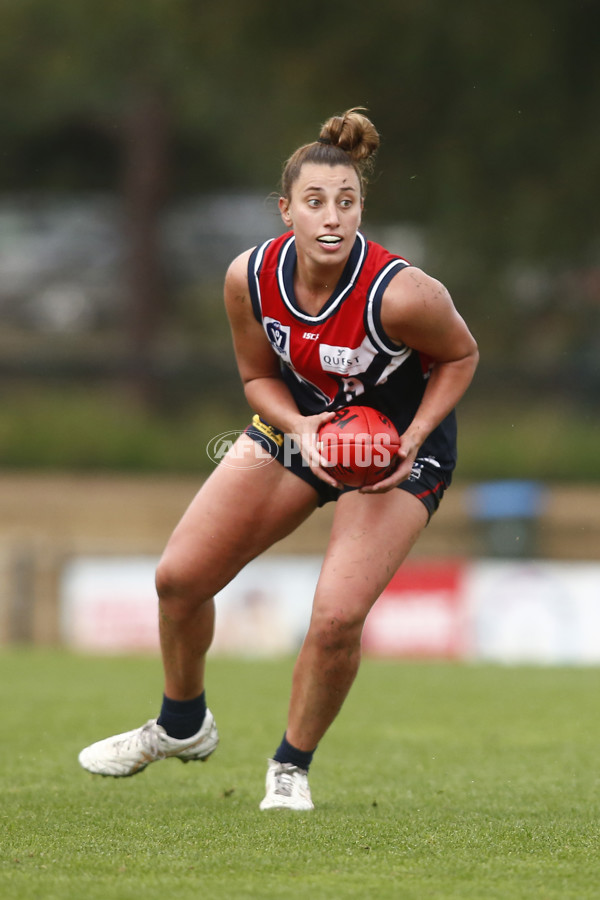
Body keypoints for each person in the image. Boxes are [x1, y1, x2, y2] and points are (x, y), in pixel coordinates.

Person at [78, 108, 479, 810]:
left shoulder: (404, 292)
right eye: (316, 202)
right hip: (301, 424)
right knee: (179, 579)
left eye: (347, 203)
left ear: (362, 210)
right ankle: (182, 724)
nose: (332, 218)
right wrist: (302, 429)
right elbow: (258, 378)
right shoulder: (250, 277)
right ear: (285, 209)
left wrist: (412, 438)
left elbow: (462, 355)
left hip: (392, 448)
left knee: (334, 619)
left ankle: (290, 767)